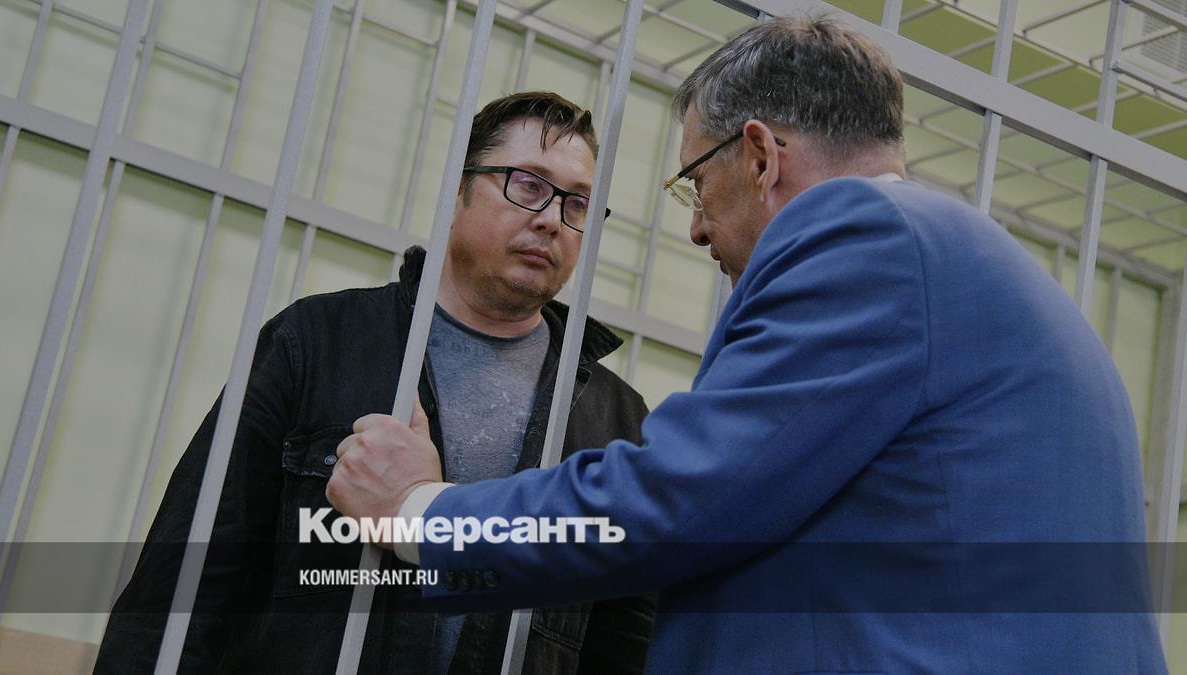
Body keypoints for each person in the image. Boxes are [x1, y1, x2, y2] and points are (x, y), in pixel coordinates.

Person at [326, 16, 1168, 674]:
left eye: (697, 182)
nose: (696, 227)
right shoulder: (986, 274)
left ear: (759, 155)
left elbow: (674, 500)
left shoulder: (865, 236)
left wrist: (420, 509)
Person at [95, 91, 654, 674]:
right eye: (528, 184)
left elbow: (626, 641)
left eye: (578, 204)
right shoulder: (317, 341)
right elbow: (187, 578)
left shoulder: (615, 418)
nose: (551, 219)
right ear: (457, 190)